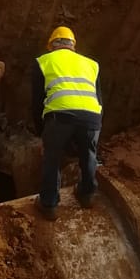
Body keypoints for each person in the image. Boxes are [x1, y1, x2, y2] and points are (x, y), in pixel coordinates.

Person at [32, 24, 102, 219]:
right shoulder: (91, 64)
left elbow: (37, 101)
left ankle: (49, 204)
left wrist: (41, 132)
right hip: (92, 117)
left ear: (52, 45)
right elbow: (99, 100)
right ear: (73, 46)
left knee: (52, 158)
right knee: (88, 155)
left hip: (59, 117)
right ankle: (87, 194)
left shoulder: (43, 62)